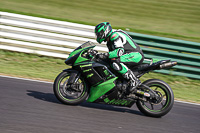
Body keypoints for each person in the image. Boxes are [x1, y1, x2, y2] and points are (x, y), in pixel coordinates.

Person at [95, 22, 144, 93]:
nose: (98, 35)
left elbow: (119, 51)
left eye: (99, 34)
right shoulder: (109, 41)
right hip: (129, 55)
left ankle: (134, 81)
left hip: (136, 55)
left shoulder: (114, 36)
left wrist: (105, 55)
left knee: (115, 62)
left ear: (104, 31)